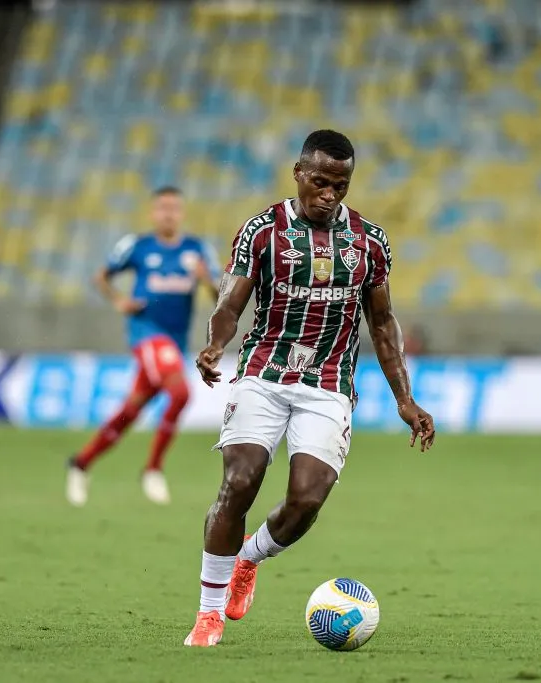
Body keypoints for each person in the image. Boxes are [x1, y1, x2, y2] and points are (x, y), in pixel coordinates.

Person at [183, 130, 436, 647]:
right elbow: (230, 304)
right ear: (298, 173)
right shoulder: (262, 231)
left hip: (328, 382)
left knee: (306, 499)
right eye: (320, 182)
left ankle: (249, 558)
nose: (329, 194)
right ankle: (208, 615)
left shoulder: (369, 242)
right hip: (264, 373)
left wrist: (405, 399)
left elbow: (382, 322)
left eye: (340, 186)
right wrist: (214, 345)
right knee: (240, 480)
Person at [65, 187, 220, 506]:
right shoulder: (138, 246)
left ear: (181, 213)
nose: (168, 214)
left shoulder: (198, 250)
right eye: (162, 208)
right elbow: (101, 276)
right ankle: (153, 469)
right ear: (153, 212)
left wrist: (206, 280)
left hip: (175, 341)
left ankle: (81, 463)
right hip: (147, 334)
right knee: (180, 393)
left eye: (174, 208)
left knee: (130, 411)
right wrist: (119, 301)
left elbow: (222, 296)